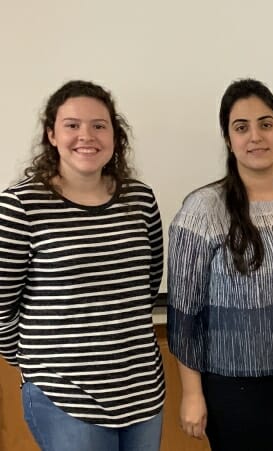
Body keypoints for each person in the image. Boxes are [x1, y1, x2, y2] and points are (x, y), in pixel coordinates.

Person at [166, 79, 273, 451]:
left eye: (266, 123)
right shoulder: (202, 209)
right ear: (229, 140)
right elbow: (184, 315)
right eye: (241, 127)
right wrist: (192, 394)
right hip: (236, 388)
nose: (255, 136)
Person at [0, 80, 165, 451]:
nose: (85, 135)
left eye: (98, 125)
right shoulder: (21, 206)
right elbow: (1, 305)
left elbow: (148, 284)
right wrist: (35, 365)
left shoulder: (140, 199)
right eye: (72, 125)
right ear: (51, 135)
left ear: (114, 135)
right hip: (64, 397)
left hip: (142, 391)